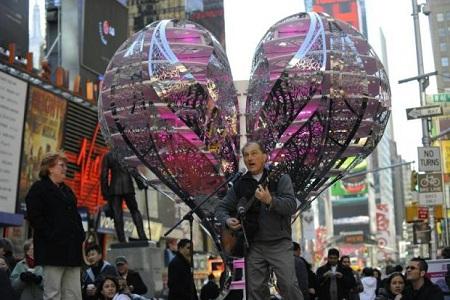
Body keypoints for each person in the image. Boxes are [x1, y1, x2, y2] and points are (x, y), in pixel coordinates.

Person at [216, 141, 303, 300]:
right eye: (246, 155)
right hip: (253, 245)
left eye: (254, 153)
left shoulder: (280, 178)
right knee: (255, 291)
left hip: (279, 243)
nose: (250, 158)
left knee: (288, 285)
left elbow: (291, 205)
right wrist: (227, 220)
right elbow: (220, 208)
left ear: (265, 157)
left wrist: (270, 200)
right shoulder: (240, 184)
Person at [25, 152, 85, 300]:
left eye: (66, 165)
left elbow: (75, 216)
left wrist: (81, 235)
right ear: (50, 168)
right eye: (61, 165)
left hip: (72, 251)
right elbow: (34, 217)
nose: (65, 169)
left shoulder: (67, 190)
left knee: (74, 294)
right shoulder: (39, 188)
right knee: (53, 294)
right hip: (52, 250)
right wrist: (52, 235)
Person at [100, 151, 148, 243]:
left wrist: (105, 192)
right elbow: (134, 170)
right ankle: (142, 237)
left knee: (117, 214)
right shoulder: (127, 154)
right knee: (134, 210)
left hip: (115, 188)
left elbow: (104, 175)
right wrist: (141, 184)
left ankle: (121, 241)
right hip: (128, 187)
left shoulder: (108, 156)